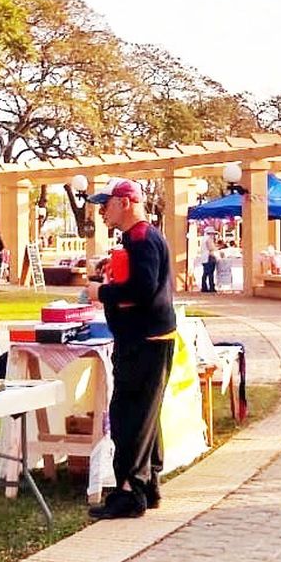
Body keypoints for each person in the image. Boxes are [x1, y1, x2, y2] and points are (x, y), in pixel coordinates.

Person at [84, 179, 177, 519]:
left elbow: (142, 289)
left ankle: (129, 491)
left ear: (125, 202)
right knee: (144, 416)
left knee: (129, 417)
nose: (102, 211)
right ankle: (148, 485)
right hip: (148, 338)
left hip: (145, 341)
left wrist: (102, 293)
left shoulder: (140, 238)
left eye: (106, 204)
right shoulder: (139, 238)